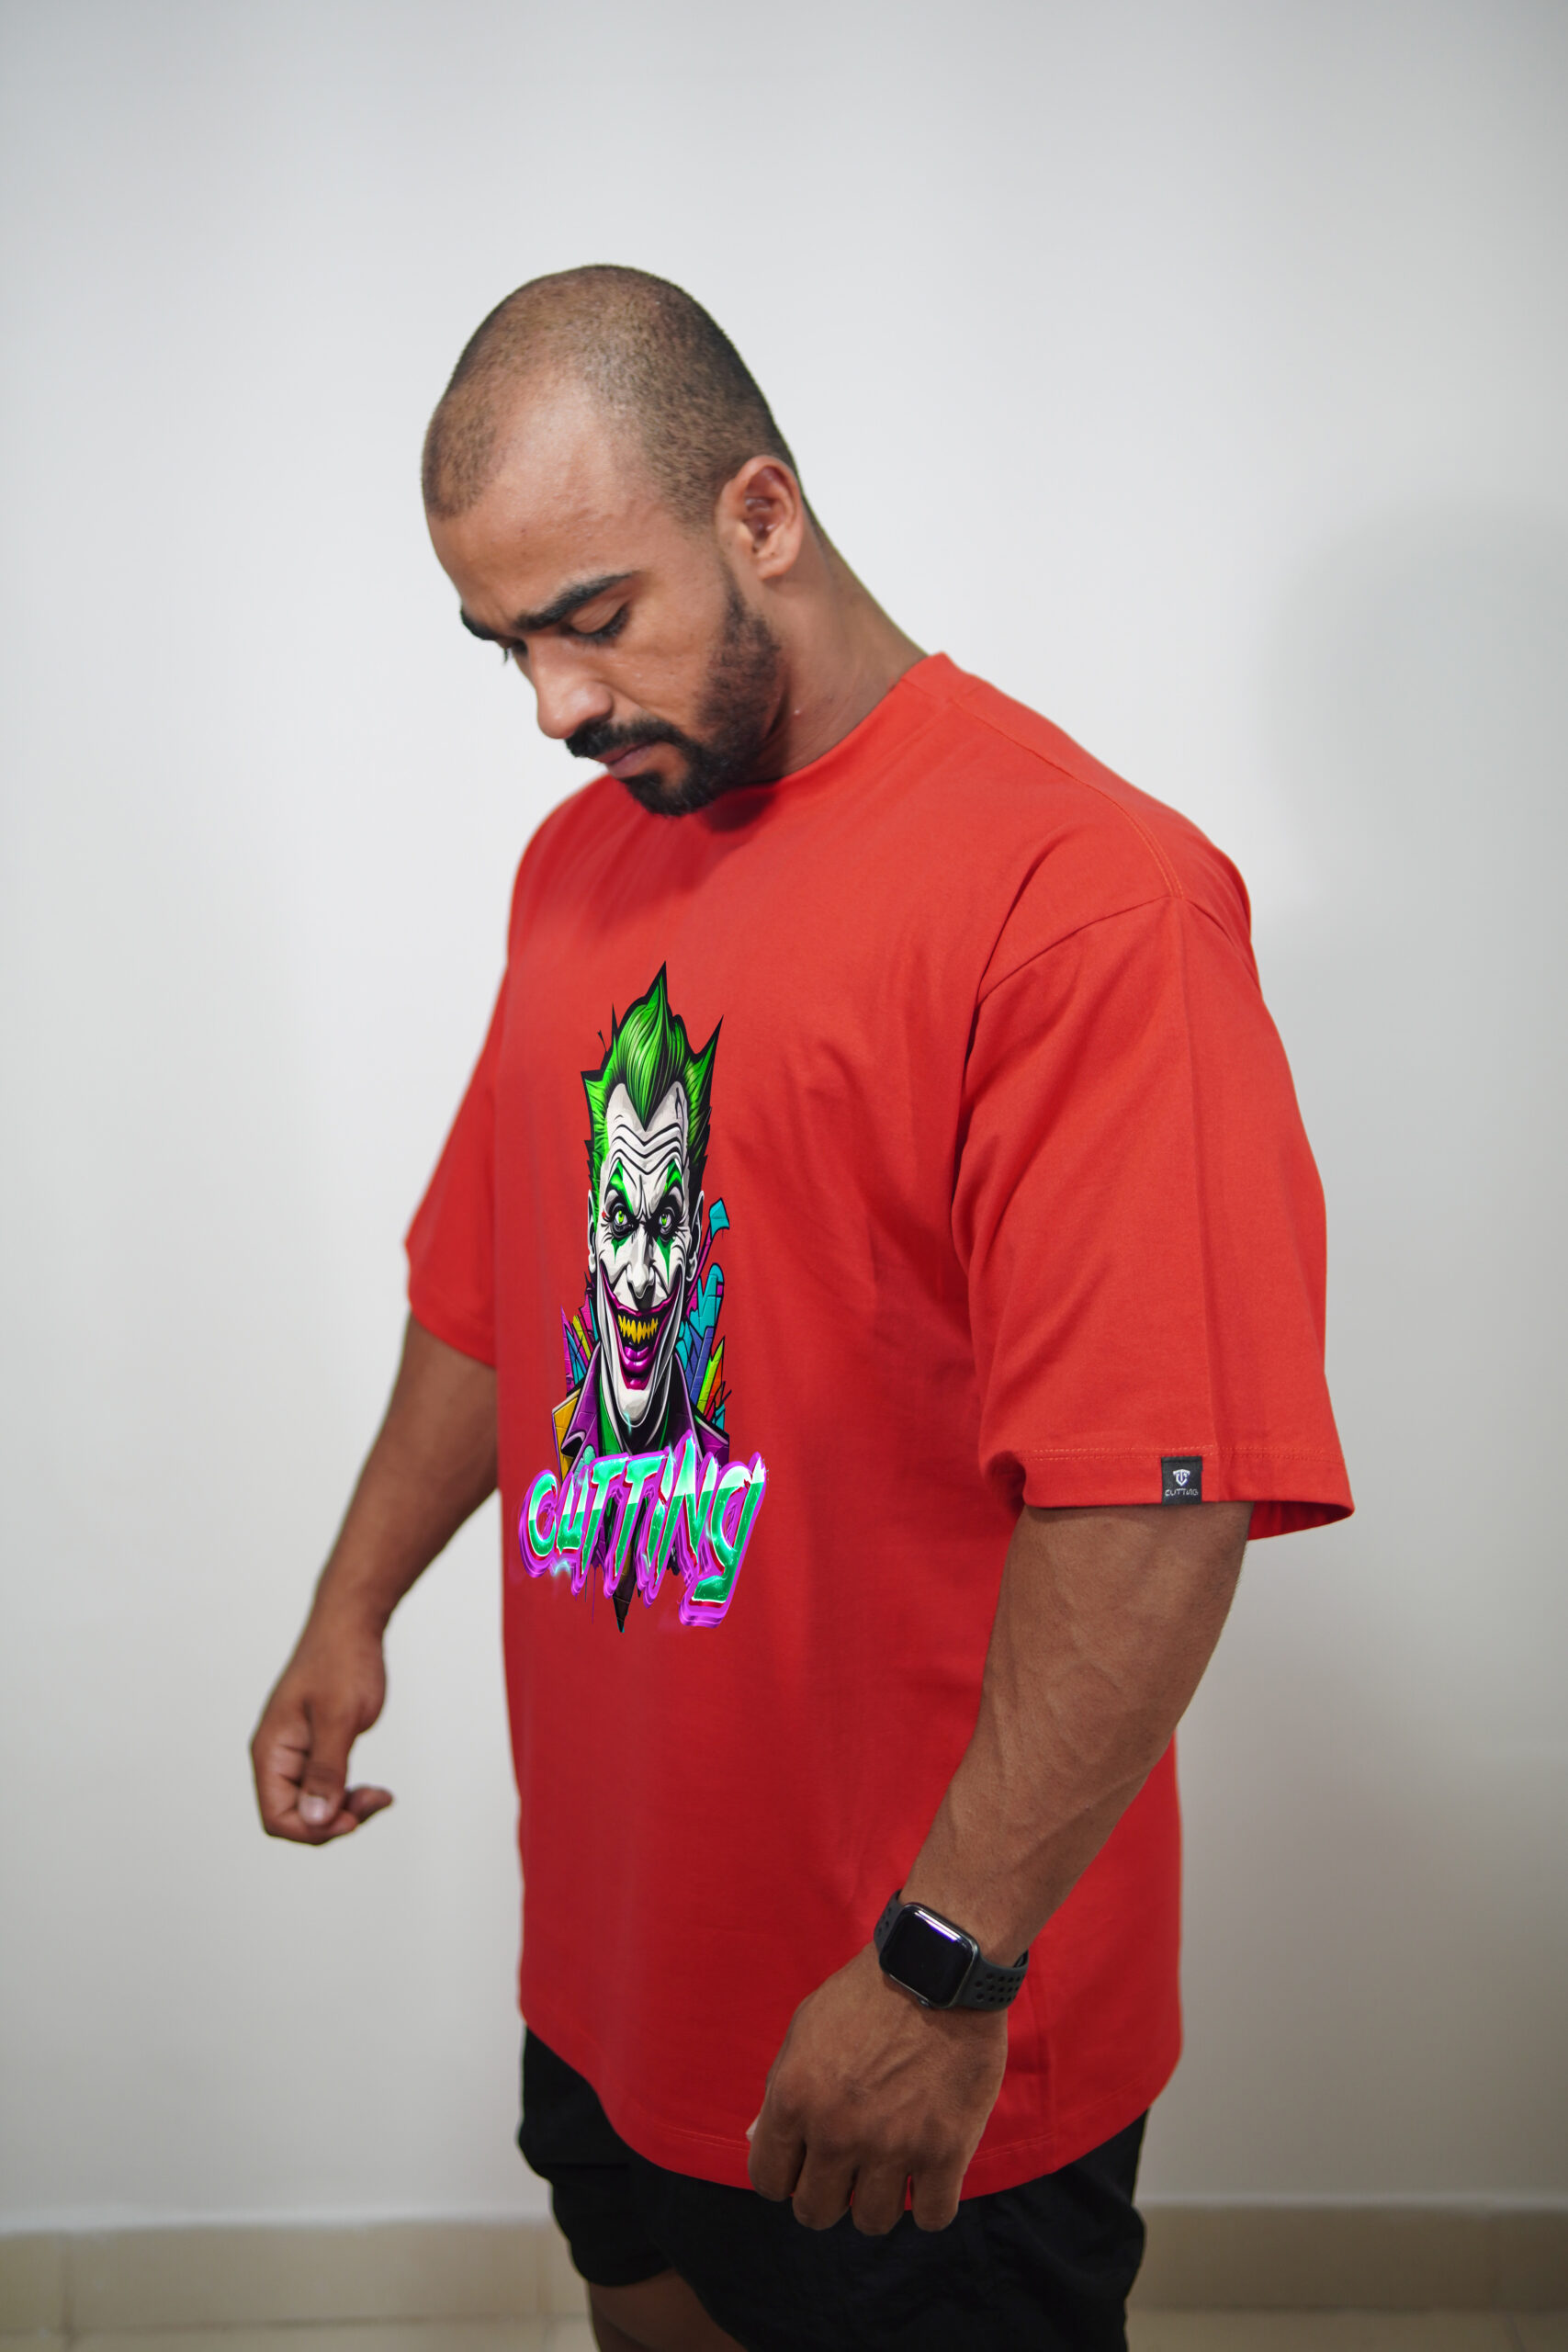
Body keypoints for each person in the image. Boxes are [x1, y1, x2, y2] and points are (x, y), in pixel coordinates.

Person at [252, 266, 1351, 2352]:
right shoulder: (581, 870)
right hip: (611, 1959)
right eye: (507, 644)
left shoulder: (1082, 901)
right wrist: (351, 1600)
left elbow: (1158, 1493)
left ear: (760, 513)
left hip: (909, 2009)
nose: (553, 705)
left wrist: (941, 1970)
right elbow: (497, 1288)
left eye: (593, 616)